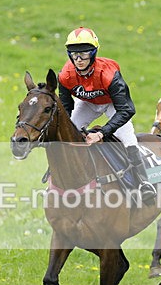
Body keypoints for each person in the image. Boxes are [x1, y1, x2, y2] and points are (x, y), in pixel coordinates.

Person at [57, 26, 156, 203]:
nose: (79, 60)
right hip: (87, 104)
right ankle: (58, 176)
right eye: (74, 54)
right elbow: (66, 108)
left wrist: (101, 133)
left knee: (128, 137)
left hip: (112, 104)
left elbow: (127, 110)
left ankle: (144, 182)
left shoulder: (109, 74)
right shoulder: (65, 76)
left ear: (93, 53)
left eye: (84, 54)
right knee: (68, 133)